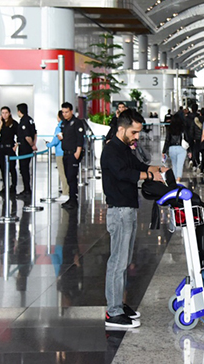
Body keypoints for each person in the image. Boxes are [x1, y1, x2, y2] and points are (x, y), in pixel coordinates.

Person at [101, 108, 168, 329]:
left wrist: (158, 169)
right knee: (117, 262)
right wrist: (150, 175)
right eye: (134, 132)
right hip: (119, 211)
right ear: (122, 128)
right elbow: (124, 174)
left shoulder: (123, 148)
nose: (137, 137)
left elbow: (137, 166)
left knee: (124, 260)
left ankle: (117, 304)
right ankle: (113, 312)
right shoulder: (111, 150)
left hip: (127, 210)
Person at [59, 102, 85, 209]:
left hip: (73, 153)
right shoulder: (64, 123)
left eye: (66, 112)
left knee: (72, 176)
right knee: (68, 176)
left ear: (71, 111)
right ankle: (71, 197)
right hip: (66, 153)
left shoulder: (77, 122)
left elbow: (80, 138)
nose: (64, 114)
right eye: (63, 112)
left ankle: (74, 199)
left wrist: (78, 152)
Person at [0, 107, 19, 197]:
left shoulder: (14, 123)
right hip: (1, 148)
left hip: (10, 148)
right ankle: (5, 185)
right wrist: (0, 123)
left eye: (6, 113)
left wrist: (15, 146)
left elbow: (19, 135)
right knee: (3, 168)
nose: (4, 115)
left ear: (9, 113)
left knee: (12, 168)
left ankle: (13, 186)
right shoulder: (0, 123)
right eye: (2, 113)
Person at [16, 103, 37, 198]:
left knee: (24, 169)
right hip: (29, 147)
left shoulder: (24, 121)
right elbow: (35, 133)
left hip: (24, 148)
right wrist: (34, 144)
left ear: (19, 111)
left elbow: (27, 136)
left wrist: (32, 145)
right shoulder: (30, 119)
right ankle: (27, 188)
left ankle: (27, 189)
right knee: (25, 169)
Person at [47, 111, 70, 196]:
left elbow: (56, 140)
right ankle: (68, 191)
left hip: (60, 152)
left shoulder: (59, 126)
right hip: (67, 151)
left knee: (62, 173)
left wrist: (49, 144)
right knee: (67, 173)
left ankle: (65, 193)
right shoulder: (67, 125)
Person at [162, 114, 189, 182]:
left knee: (174, 164)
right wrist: (190, 150)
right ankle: (178, 179)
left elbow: (167, 140)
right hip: (181, 148)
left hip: (172, 148)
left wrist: (164, 151)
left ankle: (175, 179)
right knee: (180, 165)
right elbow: (187, 139)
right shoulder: (183, 128)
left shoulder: (169, 128)